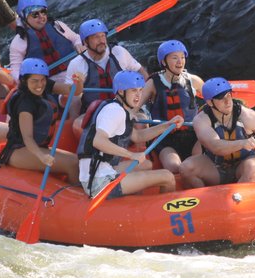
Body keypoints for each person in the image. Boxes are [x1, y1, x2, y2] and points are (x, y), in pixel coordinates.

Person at [77, 70, 183, 200]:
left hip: (99, 171)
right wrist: (131, 155)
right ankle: (164, 215)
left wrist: (168, 124)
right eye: (133, 91)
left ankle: (133, 205)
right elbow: (98, 141)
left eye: (140, 90)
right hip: (99, 181)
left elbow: (138, 136)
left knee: (146, 165)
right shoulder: (115, 111)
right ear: (121, 92)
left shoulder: (118, 108)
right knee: (168, 177)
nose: (138, 96)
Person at [0, 58, 84, 181]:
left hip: (38, 148)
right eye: (34, 81)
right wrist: (41, 156)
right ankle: (77, 198)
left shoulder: (44, 85)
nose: (40, 85)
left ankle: (76, 192)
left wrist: (78, 82)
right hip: (20, 150)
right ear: (25, 81)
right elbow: (28, 138)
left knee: (76, 160)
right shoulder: (25, 104)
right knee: (73, 164)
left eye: (42, 80)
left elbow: (73, 91)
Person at [66, 18, 147, 132]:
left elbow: (140, 71)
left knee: (140, 123)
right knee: (78, 125)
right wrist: (73, 118)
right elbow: (74, 99)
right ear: (85, 42)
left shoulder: (119, 52)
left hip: (127, 106)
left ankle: (140, 148)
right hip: (96, 111)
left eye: (103, 36)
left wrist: (140, 103)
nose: (101, 40)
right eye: (96, 37)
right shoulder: (76, 64)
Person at [140, 40, 205, 174]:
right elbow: (134, 107)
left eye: (182, 57)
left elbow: (214, 101)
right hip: (165, 137)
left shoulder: (194, 80)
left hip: (193, 135)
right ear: (164, 62)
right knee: (174, 167)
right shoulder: (153, 83)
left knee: (197, 165)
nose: (180, 62)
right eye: (174, 58)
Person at [8, 0, 83, 83]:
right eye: (35, 14)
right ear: (24, 17)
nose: (41, 17)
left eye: (43, 12)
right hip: (47, 83)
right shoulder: (18, 41)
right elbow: (15, 71)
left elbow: (76, 39)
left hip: (74, 73)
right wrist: (26, 82)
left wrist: (79, 44)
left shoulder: (57, 26)